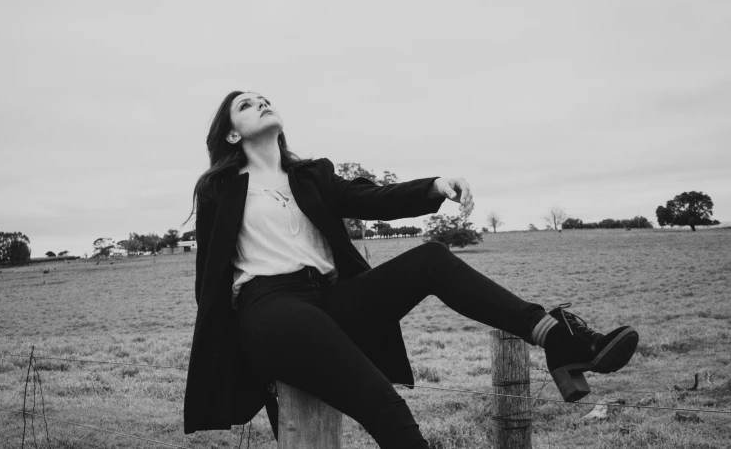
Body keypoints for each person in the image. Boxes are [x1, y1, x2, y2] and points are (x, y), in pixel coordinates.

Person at [183, 91, 639, 448]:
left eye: (264, 98)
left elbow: (373, 198)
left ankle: (555, 338)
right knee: (382, 404)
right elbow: (211, 276)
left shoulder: (311, 176)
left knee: (432, 258)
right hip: (270, 308)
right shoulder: (219, 188)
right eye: (246, 104)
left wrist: (435, 187)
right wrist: (235, 359)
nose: (261, 102)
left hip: (326, 298)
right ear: (230, 134)